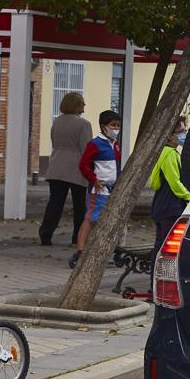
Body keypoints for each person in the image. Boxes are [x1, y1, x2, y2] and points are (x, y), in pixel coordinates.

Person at [38, 91, 92, 246]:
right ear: (77, 105)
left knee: (55, 203)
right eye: (82, 102)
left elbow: (54, 141)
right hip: (77, 168)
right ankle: (78, 236)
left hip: (56, 166)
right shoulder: (84, 124)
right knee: (79, 205)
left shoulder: (57, 121)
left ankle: (46, 233)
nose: (84, 105)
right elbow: (86, 148)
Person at [72, 110, 122, 267]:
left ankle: (99, 251)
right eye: (113, 125)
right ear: (103, 126)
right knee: (91, 220)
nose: (116, 129)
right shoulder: (95, 144)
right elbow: (83, 164)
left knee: (104, 221)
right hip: (98, 190)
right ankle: (80, 250)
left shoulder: (115, 144)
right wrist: (94, 180)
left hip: (111, 189)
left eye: (118, 126)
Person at [149, 117, 190, 251]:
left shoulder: (169, 152)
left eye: (185, 130)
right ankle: (158, 272)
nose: (184, 134)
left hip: (163, 205)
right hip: (169, 206)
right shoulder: (169, 154)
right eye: (180, 131)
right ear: (169, 136)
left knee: (162, 245)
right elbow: (175, 183)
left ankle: (156, 271)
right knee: (166, 247)